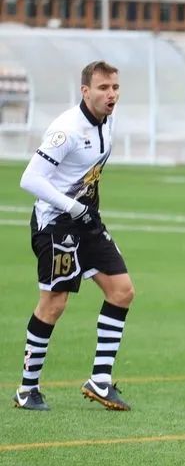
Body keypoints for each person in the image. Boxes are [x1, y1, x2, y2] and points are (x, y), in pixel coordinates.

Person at [13, 60, 135, 412]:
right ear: (85, 91)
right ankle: (27, 389)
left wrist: (84, 211)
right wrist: (73, 207)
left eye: (115, 87)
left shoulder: (108, 121)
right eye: (103, 88)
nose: (111, 95)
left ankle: (100, 380)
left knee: (122, 291)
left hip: (86, 221)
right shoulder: (66, 130)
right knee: (54, 303)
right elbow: (30, 179)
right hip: (55, 224)